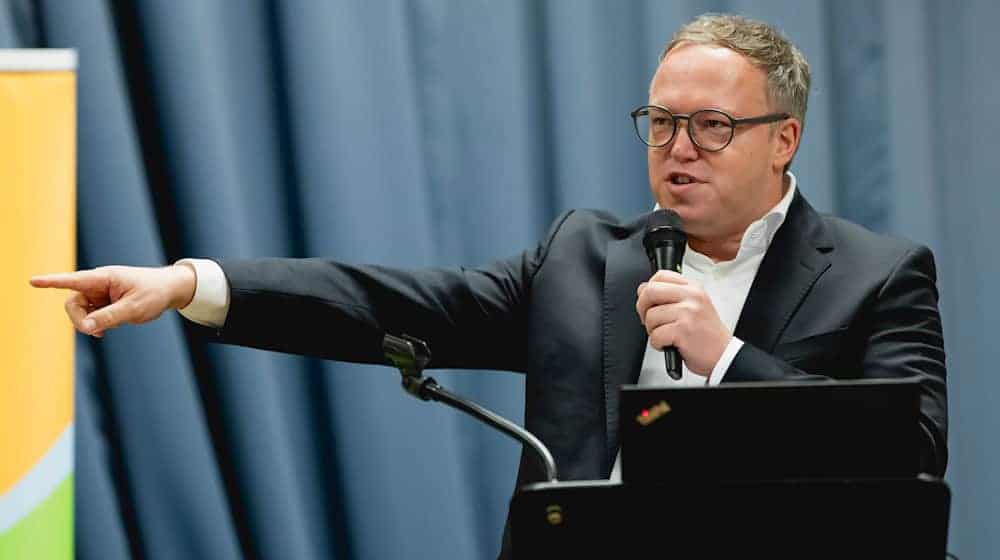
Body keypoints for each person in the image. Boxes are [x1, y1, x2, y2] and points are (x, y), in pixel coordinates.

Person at [31, 12, 947, 556]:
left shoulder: (877, 273)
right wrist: (192, 281)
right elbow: (398, 305)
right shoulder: (589, 256)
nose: (676, 148)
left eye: (710, 126)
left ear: (782, 138)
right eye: (660, 123)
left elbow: (908, 453)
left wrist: (727, 359)